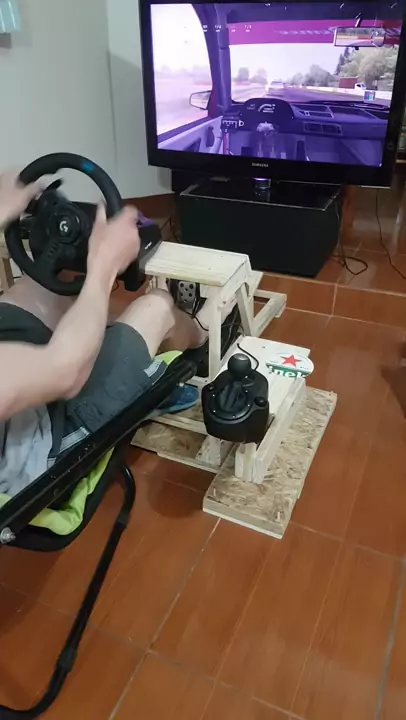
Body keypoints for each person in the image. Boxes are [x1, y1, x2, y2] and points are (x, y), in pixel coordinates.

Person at [0, 172, 209, 498]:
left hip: (16, 405)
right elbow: (65, 371)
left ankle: (122, 342)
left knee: (36, 287)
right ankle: (202, 333)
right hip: (42, 453)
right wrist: (104, 266)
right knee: (156, 305)